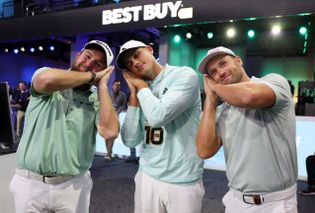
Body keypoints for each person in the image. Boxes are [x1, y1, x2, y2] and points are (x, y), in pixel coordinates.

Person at [9, 40, 119, 213]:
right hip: (30, 183)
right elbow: (44, 81)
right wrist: (92, 76)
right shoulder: (48, 75)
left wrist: (103, 85)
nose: (89, 63)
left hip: (73, 185)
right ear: (78, 55)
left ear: (104, 71)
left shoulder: (96, 98)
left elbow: (110, 131)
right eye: (87, 56)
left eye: (98, 64)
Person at [196, 46, 298, 212]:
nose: (219, 73)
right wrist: (210, 100)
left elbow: (250, 96)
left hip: (274, 204)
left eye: (223, 64)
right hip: (235, 201)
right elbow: (204, 150)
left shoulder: (273, 81)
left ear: (238, 60)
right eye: (213, 72)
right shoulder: (222, 111)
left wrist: (215, 88)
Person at [117, 40, 204, 213]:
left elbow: (158, 116)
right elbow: (130, 140)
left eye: (136, 55)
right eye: (129, 63)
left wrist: (140, 86)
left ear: (150, 49)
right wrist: (134, 95)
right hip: (146, 175)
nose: (135, 63)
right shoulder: (142, 92)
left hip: (182, 180)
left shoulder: (183, 75)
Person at [104, 79, 127, 161]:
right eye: (115, 85)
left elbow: (124, 105)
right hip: (107, 117)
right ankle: (109, 152)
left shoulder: (122, 95)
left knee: (112, 136)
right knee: (107, 136)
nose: (116, 86)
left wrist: (118, 111)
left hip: (116, 117)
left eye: (118, 85)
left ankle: (109, 154)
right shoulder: (107, 94)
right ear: (112, 86)